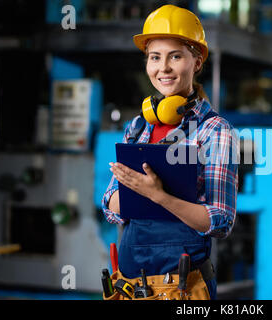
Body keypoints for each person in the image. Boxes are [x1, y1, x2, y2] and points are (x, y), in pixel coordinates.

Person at [101, 4, 239, 300]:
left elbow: (220, 220)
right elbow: (110, 204)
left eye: (175, 56)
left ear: (197, 61)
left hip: (182, 289)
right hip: (130, 284)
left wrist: (157, 196)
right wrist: (125, 195)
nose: (162, 68)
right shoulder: (137, 127)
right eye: (154, 57)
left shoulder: (214, 130)